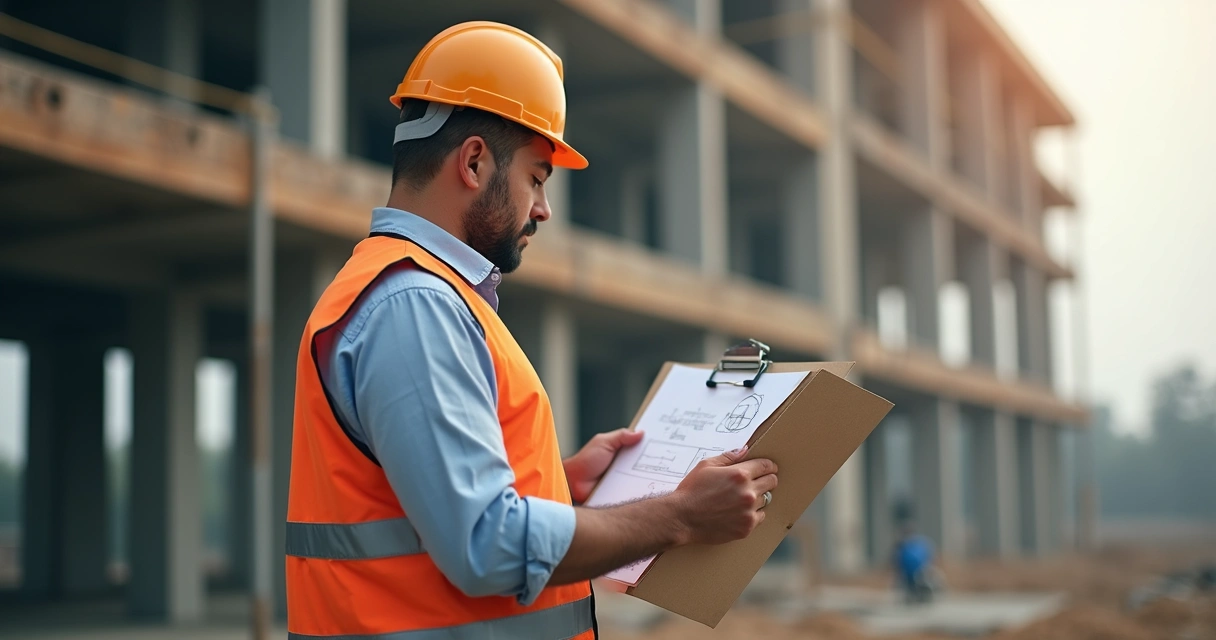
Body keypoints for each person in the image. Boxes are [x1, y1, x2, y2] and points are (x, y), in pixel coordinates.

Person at [284, 21, 779, 640]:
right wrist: (681, 515)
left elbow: (426, 506)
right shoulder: (415, 304)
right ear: (472, 161)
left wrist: (559, 481)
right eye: (537, 179)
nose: (543, 208)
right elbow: (486, 547)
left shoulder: (416, 294)